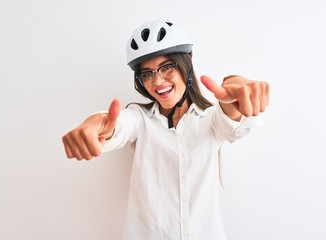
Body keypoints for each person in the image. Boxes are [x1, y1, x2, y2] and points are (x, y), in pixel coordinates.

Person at [62, 19, 269, 240]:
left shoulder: (210, 120)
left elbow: (229, 117)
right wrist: (96, 124)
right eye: (147, 73)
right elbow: (120, 124)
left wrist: (235, 85)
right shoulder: (140, 120)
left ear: (185, 67)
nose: (157, 81)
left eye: (167, 67)